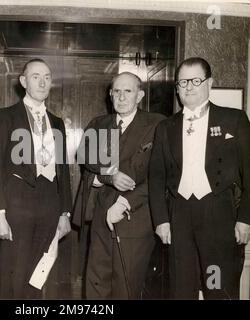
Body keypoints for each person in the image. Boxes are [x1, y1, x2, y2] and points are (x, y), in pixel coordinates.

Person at [149, 57, 250, 299]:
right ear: (177, 88)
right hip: (179, 216)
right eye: (182, 82)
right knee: (180, 290)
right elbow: (156, 177)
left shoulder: (234, 120)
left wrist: (245, 219)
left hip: (219, 215)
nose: (189, 87)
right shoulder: (166, 127)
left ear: (209, 83)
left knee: (219, 288)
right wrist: (162, 220)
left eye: (195, 80)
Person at [0, 58, 72, 299]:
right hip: (15, 210)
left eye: (47, 77)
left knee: (37, 279)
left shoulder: (57, 123)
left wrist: (65, 213)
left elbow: (62, 171)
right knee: (12, 279)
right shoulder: (4, 117)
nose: (42, 82)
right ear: (23, 81)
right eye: (35, 76)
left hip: (49, 210)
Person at [73, 72, 165, 299]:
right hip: (100, 217)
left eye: (128, 91)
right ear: (110, 94)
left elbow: (158, 177)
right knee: (96, 283)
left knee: (126, 286)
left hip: (137, 219)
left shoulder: (157, 124)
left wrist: (125, 201)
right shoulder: (99, 124)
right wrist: (109, 175)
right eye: (117, 91)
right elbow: (84, 155)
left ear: (140, 95)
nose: (121, 97)